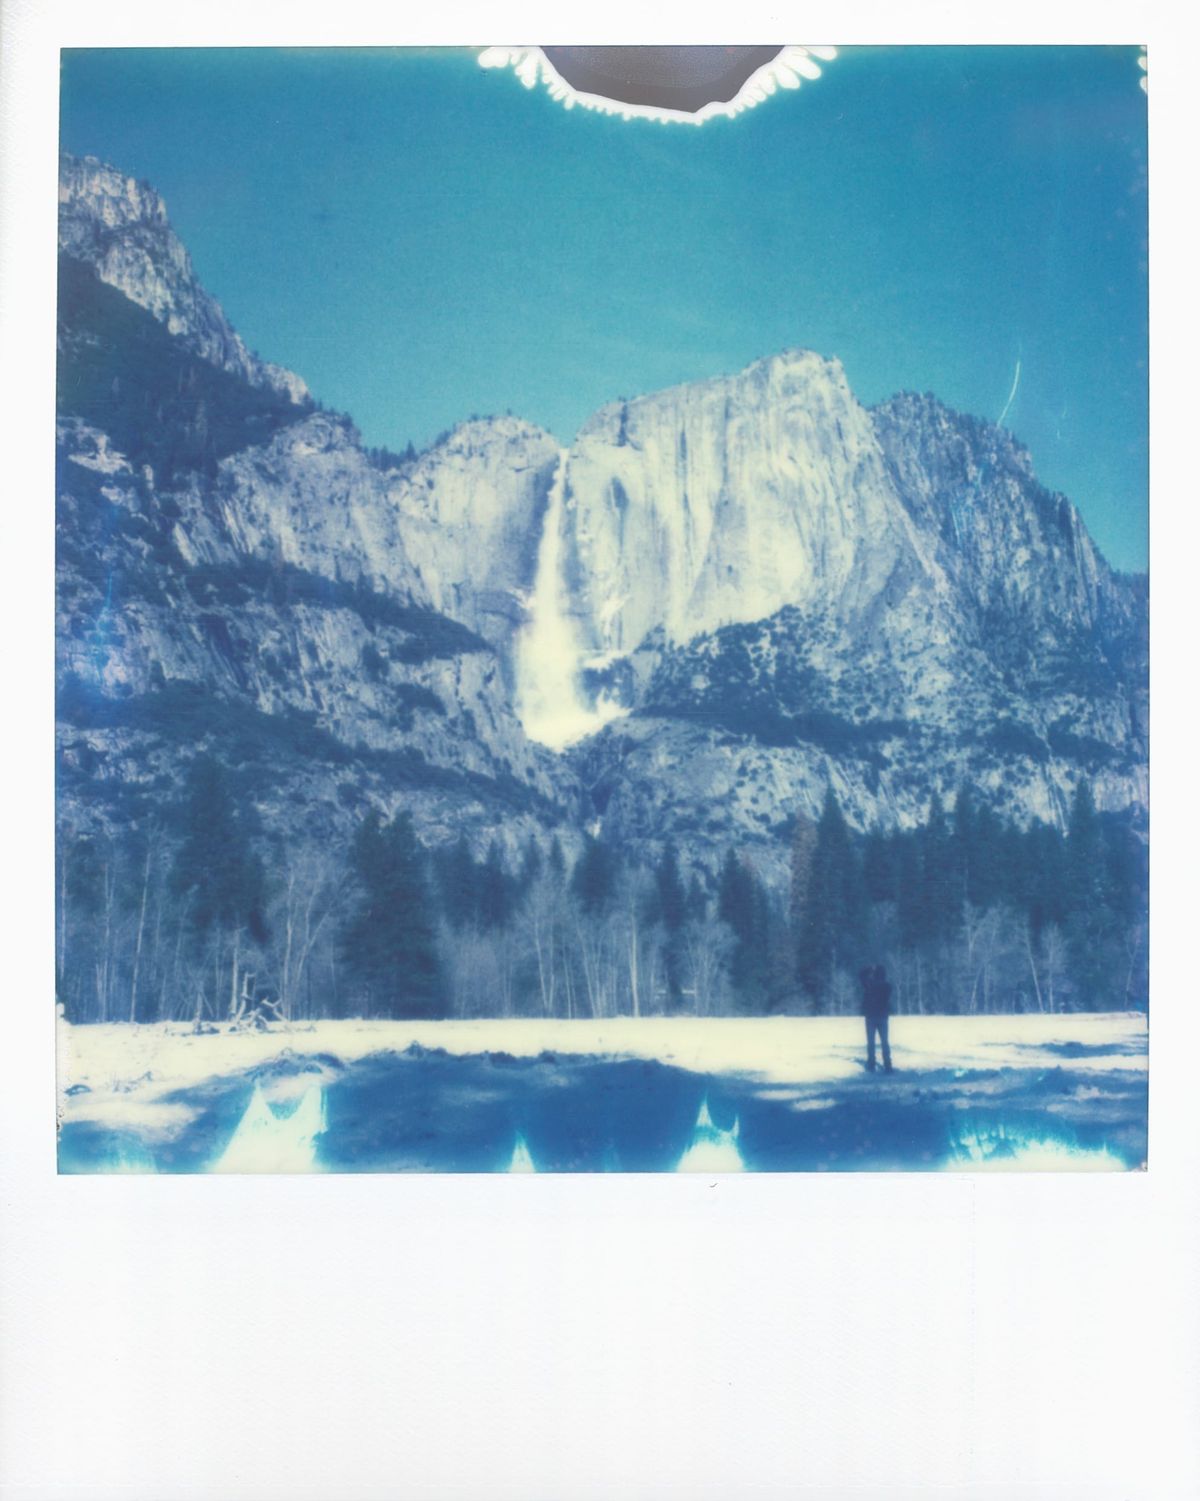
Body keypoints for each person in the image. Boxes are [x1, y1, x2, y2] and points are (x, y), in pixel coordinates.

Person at [858, 962, 893, 1073]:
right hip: (883, 1016)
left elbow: (861, 975)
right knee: (884, 1041)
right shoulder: (887, 986)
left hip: (871, 1016)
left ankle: (871, 1063)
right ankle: (887, 1064)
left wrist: (870, 968)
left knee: (871, 1042)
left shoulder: (870, 984)